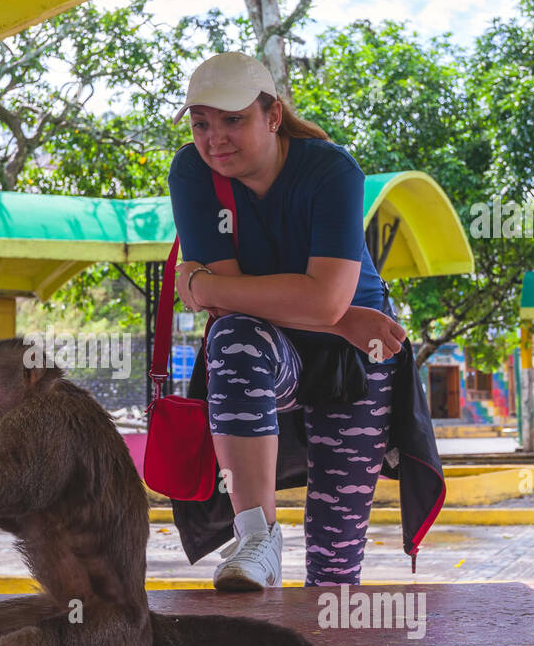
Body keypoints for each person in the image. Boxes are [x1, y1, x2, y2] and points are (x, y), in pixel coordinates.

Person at [167, 51, 408, 590]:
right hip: (294, 344)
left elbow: (295, 297)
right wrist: (339, 317)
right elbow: (234, 308)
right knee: (233, 339)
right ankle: (257, 536)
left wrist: (200, 285)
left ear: (273, 116)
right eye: (201, 123)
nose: (214, 139)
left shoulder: (330, 170)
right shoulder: (193, 172)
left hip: (359, 358)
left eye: (233, 120)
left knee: (335, 565)